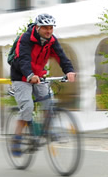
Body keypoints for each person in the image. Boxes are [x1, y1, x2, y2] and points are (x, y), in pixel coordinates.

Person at [8, 13, 76, 154]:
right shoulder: (25, 38)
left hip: (39, 76)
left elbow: (61, 57)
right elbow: (23, 59)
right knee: (27, 107)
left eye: (51, 28)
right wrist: (29, 75)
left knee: (48, 102)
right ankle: (17, 138)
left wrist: (69, 71)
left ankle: (47, 130)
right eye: (45, 28)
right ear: (38, 27)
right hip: (21, 77)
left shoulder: (51, 40)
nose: (49, 31)